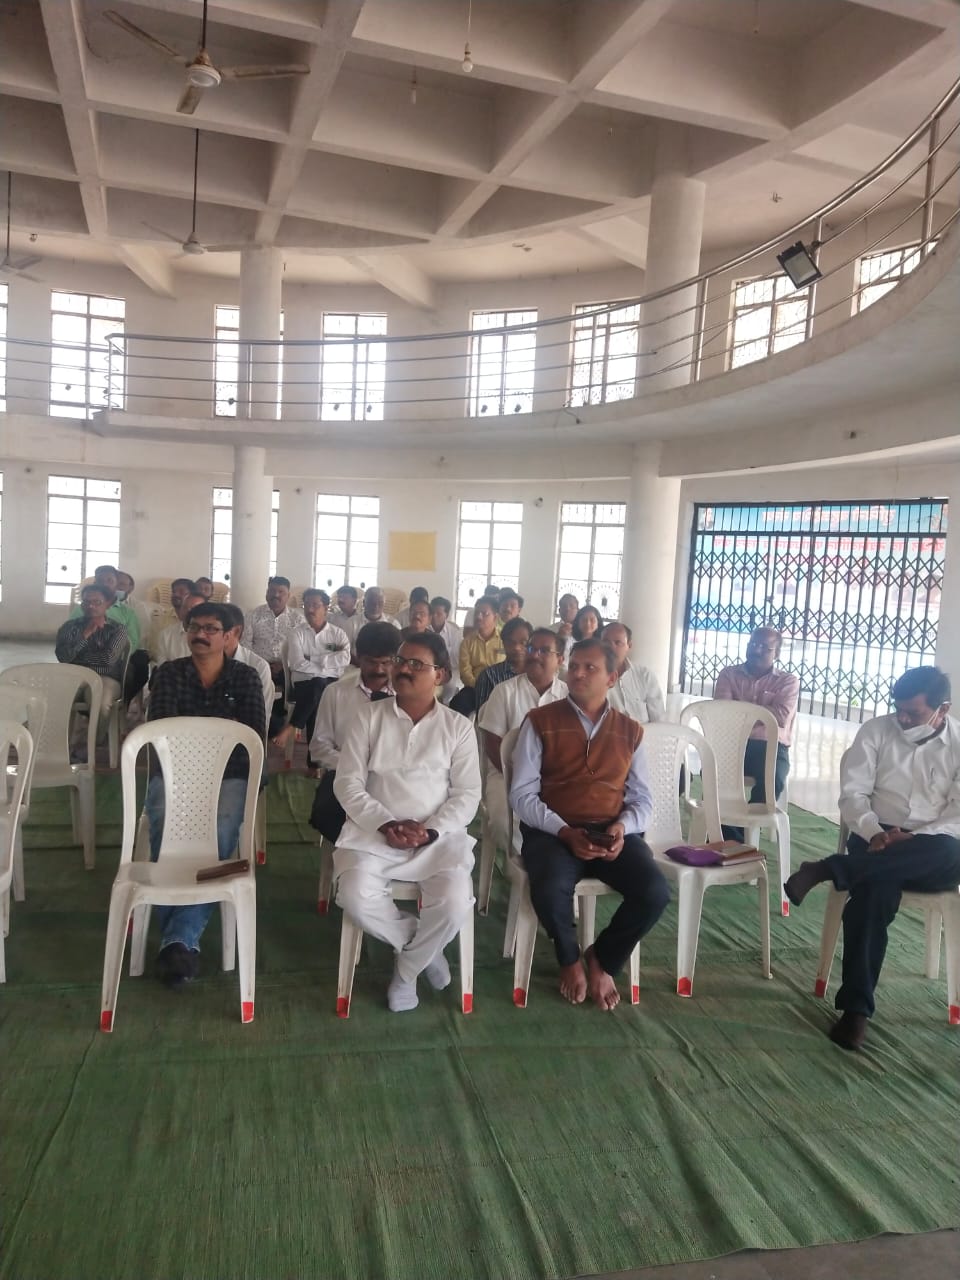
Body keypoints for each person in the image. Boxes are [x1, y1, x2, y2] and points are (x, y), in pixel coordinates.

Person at [784, 666, 960, 1051]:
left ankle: (830, 869)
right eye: (899, 709)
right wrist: (876, 832)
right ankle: (856, 1011)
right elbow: (853, 795)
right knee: (872, 895)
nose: (903, 719)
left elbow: (958, 813)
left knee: (951, 851)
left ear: (942, 709)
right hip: (874, 839)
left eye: (913, 713)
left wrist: (914, 837)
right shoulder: (876, 731)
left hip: (932, 847)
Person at [509, 638, 670, 1010]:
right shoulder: (540, 721)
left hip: (610, 831)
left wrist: (622, 828)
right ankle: (569, 959)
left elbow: (643, 800)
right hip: (553, 832)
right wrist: (564, 831)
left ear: (612, 678)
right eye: (575, 666)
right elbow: (522, 795)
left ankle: (603, 958)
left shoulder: (630, 731)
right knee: (550, 887)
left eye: (590, 668)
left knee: (654, 892)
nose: (578, 674)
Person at [333, 631, 481, 1012]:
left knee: (453, 903)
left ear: (441, 675)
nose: (403, 669)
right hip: (375, 833)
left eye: (417, 664)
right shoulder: (368, 717)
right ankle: (423, 950)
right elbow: (347, 784)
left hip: (437, 838)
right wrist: (386, 824)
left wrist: (430, 830)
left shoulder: (458, 727)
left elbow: (467, 795)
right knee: (354, 896)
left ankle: (405, 972)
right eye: (400, 661)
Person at [145, 601, 266, 988]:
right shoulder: (169, 674)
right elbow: (162, 730)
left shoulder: (246, 677)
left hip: (231, 775)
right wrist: (219, 731)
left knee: (221, 830)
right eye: (194, 627)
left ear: (230, 636)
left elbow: (251, 738)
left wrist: (200, 733)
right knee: (164, 822)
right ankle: (181, 942)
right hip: (175, 774)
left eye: (211, 628)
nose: (200, 634)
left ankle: (177, 939)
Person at [308, 621, 401, 843]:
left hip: (394, 778)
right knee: (330, 815)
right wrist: (355, 766)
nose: (379, 670)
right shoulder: (335, 693)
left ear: (397, 660)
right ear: (358, 657)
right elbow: (319, 748)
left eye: (386, 662)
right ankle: (343, 857)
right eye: (371, 662)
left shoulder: (405, 695)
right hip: (345, 775)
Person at [477, 626, 567, 848]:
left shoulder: (568, 696)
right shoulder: (504, 691)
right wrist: (519, 776)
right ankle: (518, 862)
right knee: (503, 823)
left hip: (557, 779)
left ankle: (548, 860)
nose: (535, 655)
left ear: (560, 659)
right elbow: (492, 743)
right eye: (531, 648)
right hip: (506, 774)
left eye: (544, 650)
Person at [714, 626, 800, 838]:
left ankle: (743, 833)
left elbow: (780, 716)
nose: (756, 650)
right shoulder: (728, 674)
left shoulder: (787, 681)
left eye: (764, 647)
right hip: (734, 745)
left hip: (771, 747)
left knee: (773, 777)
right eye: (753, 644)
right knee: (712, 772)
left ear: (776, 653)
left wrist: (740, 713)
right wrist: (762, 714)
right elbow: (722, 713)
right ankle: (729, 835)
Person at [273, 589, 350, 765]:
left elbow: (345, 658)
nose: (310, 609)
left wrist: (313, 659)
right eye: (307, 604)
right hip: (303, 684)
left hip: (327, 684)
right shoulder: (297, 633)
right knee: (318, 687)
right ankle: (313, 763)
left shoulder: (337, 634)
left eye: (315, 605)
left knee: (319, 690)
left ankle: (293, 725)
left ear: (326, 608)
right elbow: (297, 663)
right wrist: (327, 665)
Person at [241, 577, 305, 736]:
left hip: (286, 669)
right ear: (266, 593)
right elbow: (245, 645)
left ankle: (282, 720)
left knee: (299, 682)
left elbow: (302, 648)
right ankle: (260, 722)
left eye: (281, 592)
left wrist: (284, 665)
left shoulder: (297, 619)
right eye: (272, 591)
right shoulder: (253, 616)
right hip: (257, 666)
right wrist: (262, 664)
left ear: (288, 595)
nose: (275, 595)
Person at [55, 584, 129, 718]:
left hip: (105, 678)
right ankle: (57, 732)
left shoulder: (117, 629)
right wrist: (85, 634)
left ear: (108, 604)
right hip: (74, 676)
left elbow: (107, 659)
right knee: (54, 699)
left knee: (101, 705)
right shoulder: (70, 627)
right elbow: (63, 657)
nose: (91, 606)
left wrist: (76, 657)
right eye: (86, 602)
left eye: (97, 602)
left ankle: (97, 733)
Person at [601, 622, 666, 724]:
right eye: (606, 642)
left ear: (629, 645)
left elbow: (658, 720)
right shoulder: (594, 679)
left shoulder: (645, 676)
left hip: (646, 733)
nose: (611, 648)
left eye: (618, 643)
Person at [222, 603, 275, 726]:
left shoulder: (257, 666)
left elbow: (260, 721)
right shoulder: (199, 662)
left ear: (237, 631)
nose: (205, 635)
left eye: (215, 629)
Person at [69, 565, 140, 653]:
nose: (105, 584)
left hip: (116, 658)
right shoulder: (81, 609)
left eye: (110, 580)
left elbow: (133, 642)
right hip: (83, 656)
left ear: (117, 584)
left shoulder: (128, 613)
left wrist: (112, 655)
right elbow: (69, 635)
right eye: (100, 581)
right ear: (95, 584)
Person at [451, 596, 503, 716]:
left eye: (484, 614)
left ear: (495, 617)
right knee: (457, 703)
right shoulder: (467, 642)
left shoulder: (504, 640)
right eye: (477, 613)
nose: (479, 617)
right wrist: (480, 687)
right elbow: (465, 672)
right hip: (474, 688)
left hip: (500, 688)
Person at [475, 616, 531, 710]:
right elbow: (484, 716)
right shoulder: (489, 676)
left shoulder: (537, 675)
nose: (517, 647)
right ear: (503, 643)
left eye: (523, 642)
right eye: (511, 642)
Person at [342, 586, 401, 658]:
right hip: (356, 663)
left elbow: (399, 650)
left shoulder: (393, 623)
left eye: (380, 603)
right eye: (371, 602)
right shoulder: (351, 623)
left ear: (384, 604)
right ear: (364, 603)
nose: (376, 606)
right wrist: (360, 662)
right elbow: (343, 648)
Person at [154, 592, 205, 666]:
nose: (188, 612)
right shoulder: (166, 635)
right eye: (184, 607)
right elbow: (162, 665)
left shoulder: (211, 636)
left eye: (193, 609)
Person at [430, 596, 463, 702]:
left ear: (446, 615)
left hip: (448, 668)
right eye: (432, 612)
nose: (434, 616)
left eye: (439, 614)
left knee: (451, 686)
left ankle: (445, 704)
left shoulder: (454, 631)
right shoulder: (425, 629)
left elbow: (455, 657)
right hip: (428, 666)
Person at [553, 593, 579, 662]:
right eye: (564, 606)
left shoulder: (583, 631)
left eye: (571, 606)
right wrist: (558, 637)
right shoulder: (550, 630)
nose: (567, 609)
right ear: (559, 610)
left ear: (578, 610)